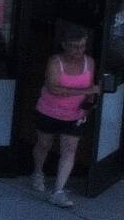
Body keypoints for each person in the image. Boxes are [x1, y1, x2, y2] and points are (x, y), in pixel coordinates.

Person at [32, 22, 102, 207]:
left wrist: (88, 105)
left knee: (69, 149)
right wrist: (87, 91)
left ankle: (58, 190)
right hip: (49, 111)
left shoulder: (89, 62)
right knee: (44, 144)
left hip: (75, 114)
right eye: (73, 46)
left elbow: (91, 88)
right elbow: (53, 88)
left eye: (81, 46)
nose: (78, 50)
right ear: (64, 45)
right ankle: (38, 171)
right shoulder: (55, 62)